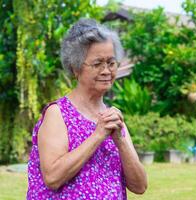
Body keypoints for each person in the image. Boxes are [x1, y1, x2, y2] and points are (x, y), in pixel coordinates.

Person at [27, 18, 147, 200]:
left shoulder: (113, 118)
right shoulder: (58, 113)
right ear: (75, 68)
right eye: (97, 64)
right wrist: (98, 135)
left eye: (111, 63)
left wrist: (120, 141)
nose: (107, 71)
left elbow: (139, 186)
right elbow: (52, 177)